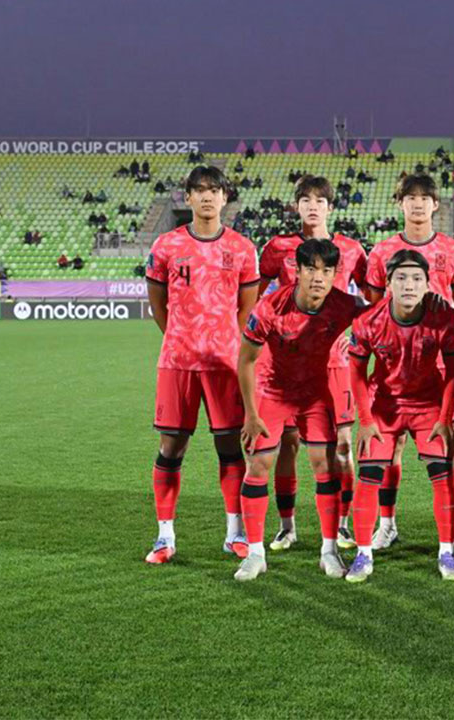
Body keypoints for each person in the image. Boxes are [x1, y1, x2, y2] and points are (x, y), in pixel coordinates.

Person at [142, 165, 260, 565]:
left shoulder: (243, 249)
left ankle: (234, 534)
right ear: (187, 197)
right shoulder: (167, 245)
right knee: (171, 446)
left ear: (225, 197)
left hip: (225, 364)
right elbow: (157, 302)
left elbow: (247, 308)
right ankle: (164, 537)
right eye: (200, 190)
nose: (208, 197)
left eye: (215, 190)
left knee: (229, 446)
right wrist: (179, 335)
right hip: (177, 362)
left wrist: (224, 340)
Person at [232, 239, 366, 582]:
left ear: (336, 273)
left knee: (326, 465)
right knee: (259, 464)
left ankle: (329, 552)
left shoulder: (345, 304)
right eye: (311, 269)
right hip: (272, 391)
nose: (318, 277)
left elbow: (385, 320)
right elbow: (245, 360)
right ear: (298, 270)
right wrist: (250, 414)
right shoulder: (270, 306)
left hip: (316, 395)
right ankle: (255, 554)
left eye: (326, 270)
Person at [254, 175, 369, 552]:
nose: (313, 206)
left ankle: (343, 524)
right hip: (284, 365)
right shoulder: (278, 248)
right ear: (297, 206)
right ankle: (287, 525)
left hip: (335, 363)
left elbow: (368, 302)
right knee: (287, 444)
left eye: (320, 200)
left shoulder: (351, 250)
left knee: (342, 447)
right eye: (306, 200)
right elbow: (257, 300)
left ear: (330, 207)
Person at [362, 174, 454, 549]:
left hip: (438, 364)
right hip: (393, 366)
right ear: (400, 204)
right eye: (411, 197)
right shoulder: (381, 251)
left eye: (425, 198)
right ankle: (386, 524)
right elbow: (375, 304)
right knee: (389, 446)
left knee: (448, 441)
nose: (418, 204)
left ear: (435, 205)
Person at [344, 250, 454, 582]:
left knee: (441, 477)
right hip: (384, 406)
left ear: (428, 284)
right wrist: (366, 421)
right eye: (401, 278)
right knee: (368, 477)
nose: (408, 285)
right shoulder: (368, 321)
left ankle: (446, 552)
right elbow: (356, 371)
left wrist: (444, 417)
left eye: (416, 279)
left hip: (429, 405)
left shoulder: (444, 318)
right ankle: (363, 554)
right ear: (388, 284)